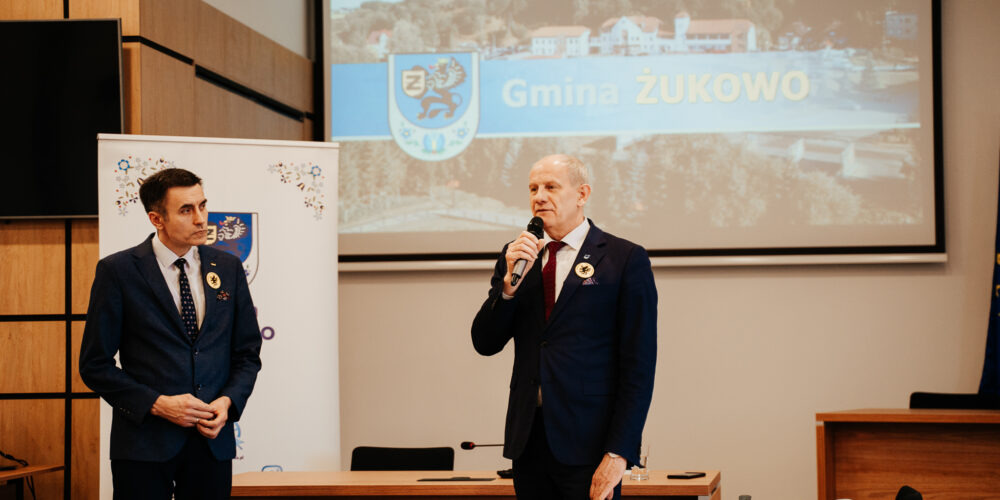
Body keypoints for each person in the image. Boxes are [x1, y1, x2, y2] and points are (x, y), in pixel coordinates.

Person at [471, 154, 657, 500]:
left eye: (551, 187)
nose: (539, 196)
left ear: (582, 194)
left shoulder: (623, 259)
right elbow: (484, 341)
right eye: (533, 188)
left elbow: (639, 367)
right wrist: (508, 289)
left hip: (591, 445)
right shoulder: (517, 256)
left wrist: (619, 453)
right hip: (529, 442)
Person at [80, 168, 263, 499]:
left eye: (202, 206)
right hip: (143, 446)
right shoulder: (118, 271)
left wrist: (227, 402)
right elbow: (95, 365)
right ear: (156, 218)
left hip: (211, 444)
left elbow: (247, 353)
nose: (201, 219)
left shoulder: (228, 267)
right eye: (186, 210)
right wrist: (157, 404)